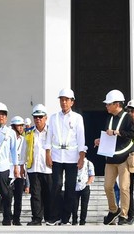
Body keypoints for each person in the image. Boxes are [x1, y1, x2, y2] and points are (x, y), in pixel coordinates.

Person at [94, 89, 134, 226]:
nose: (106, 106)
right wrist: (100, 141)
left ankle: (124, 215)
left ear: (117, 104)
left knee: (124, 187)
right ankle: (114, 210)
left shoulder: (127, 117)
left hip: (124, 157)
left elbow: (132, 134)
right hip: (111, 157)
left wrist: (118, 132)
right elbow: (108, 135)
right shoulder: (109, 118)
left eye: (109, 104)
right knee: (107, 186)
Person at [45, 88, 87, 226]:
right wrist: (47, 153)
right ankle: (54, 216)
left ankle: (65, 218)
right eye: (61, 100)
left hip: (72, 157)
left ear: (72, 102)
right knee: (56, 185)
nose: (63, 102)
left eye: (66, 100)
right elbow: (49, 136)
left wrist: (81, 157)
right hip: (57, 156)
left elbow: (81, 138)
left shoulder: (77, 118)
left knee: (70, 188)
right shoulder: (53, 117)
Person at [25, 104, 53, 226]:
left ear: (46, 118)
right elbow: (24, 149)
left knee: (48, 194)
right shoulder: (29, 132)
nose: (38, 119)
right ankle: (36, 218)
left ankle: (49, 217)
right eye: (36, 117)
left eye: (40, 117)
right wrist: (21, 165)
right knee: (35, 195)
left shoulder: (51, 132)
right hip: (34, 168)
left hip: (48, 169)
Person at [9, 116, 27, 225]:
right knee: (7, 196)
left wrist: (23, 168)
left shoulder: (24, 139)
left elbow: (24, 155)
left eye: (21, 125)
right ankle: (8, 216)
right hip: (9, 170)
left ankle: (17, 219)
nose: (20, 128)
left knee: (18, 197)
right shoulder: (8, 138)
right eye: (18, 126)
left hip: (20, 170)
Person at [72, 156, 95, 225]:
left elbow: (92, 175)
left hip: (85, 186)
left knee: (84, 205)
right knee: (74, 205)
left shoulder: (89, 163)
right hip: (75, 186)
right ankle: (74, 220)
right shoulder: (74, 162)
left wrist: (87, 183)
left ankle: (82, 220)